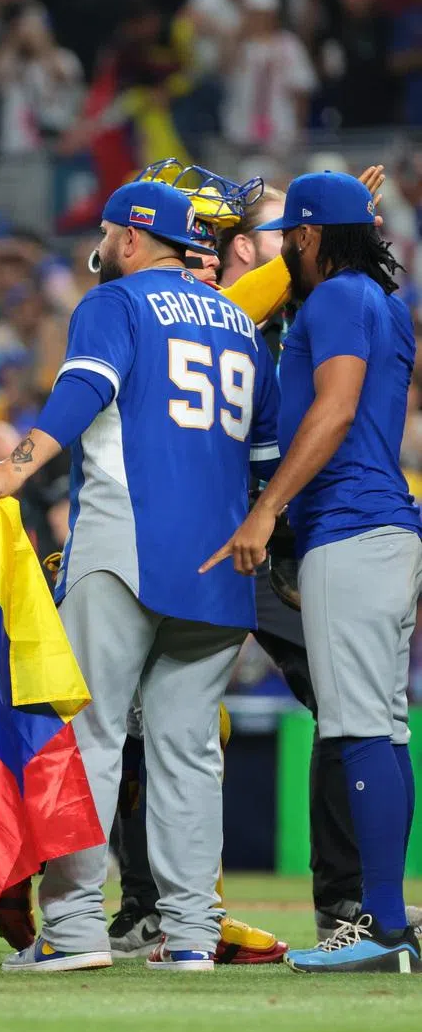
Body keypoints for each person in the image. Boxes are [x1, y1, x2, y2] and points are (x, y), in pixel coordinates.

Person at [0, 180, 279, 973]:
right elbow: (269, 451)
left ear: (134, 239)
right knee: (187, 752)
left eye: (107, 232)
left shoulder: (116, 301)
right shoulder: (240, 321)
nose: (100, 246)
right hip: (222, 565)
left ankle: (72, 930)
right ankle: (191, 934)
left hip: (129, 544)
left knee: (90, 740)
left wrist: (20, 463)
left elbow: (85, 388)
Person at [204, 172, 422, 974]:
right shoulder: (377, 300)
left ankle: (384, 929)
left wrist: (268, 511)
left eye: (292, 234)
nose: (287, 246)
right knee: (384, 729)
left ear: (308, 238)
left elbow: (332, 410)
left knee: (357, 728)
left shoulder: (333, 299)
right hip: (385, 529)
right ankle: (389, 916)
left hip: (350, 527)